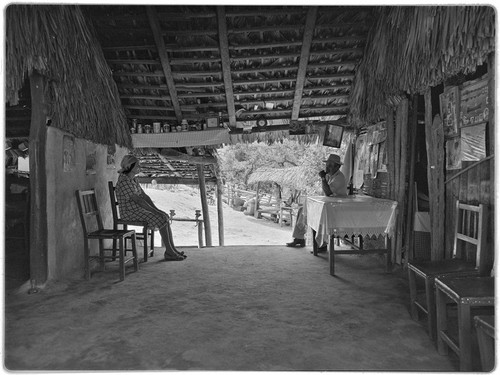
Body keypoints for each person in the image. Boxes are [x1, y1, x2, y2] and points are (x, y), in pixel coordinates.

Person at [115, 155, 185, 261]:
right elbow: (138, 200)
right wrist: (155, 212)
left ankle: (172, 250)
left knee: (164, 217)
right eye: (137, 165)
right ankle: (169, 252)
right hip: (129, 212)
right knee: (160, 218)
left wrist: (157, 210)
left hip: (138, 210)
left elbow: (144, 196)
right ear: (130, 166)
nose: (140, 167)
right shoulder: (124, 181)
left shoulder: (133, 179)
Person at [286, 154, 347, 250]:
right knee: (302, 210)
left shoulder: (339, 177)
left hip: (337, 210)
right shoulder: (329, 176)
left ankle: (322, 244)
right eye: (327, 164)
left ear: (337, 166)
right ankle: (299, 238)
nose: (327, 167)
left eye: (330, 165)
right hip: (329, 206)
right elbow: (326, 194)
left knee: (319, 215)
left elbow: (328, 192)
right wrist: (325, 177)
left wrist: (323, 178)